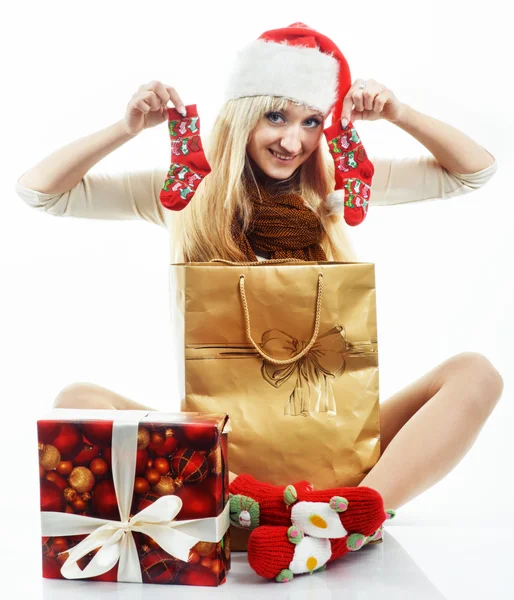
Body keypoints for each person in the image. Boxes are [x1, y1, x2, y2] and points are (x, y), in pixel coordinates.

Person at [16, 23, 503, 582]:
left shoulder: (335, 190)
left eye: (311, 121)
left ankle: (348, 520)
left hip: (337, 451)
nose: (292, 142)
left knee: (476, 374)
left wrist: (400, 113)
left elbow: (474, 172)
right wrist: (125, 129)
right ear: (243, 115)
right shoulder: (186, 193)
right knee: (77, 398)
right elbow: (42, 192)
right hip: (218, 461)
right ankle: (271, 508)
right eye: (276, 116)